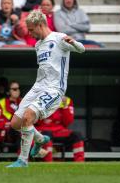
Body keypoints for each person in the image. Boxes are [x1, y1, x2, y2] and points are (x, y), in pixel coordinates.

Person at [6, 9, 85, 167]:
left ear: (40, 25)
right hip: (38, 87)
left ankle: (22, 160)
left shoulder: (59, 38)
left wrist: (74, 43)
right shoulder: (37, 45)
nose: (29, 33)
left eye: (31, 29)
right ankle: (40, 139)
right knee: (15, 123)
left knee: (28, 116)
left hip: (54, 89)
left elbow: (82, 49)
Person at [35, 96, 85, 162]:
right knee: (47, 134)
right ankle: (48, 163)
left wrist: (65, 107)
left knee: (77, 135)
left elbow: (67, 122)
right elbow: (35, 121)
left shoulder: (66, 100)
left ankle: (80, 162)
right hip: (42, 130)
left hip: (59, 131)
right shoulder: (39, 99)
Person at [0, 81, 22, 152]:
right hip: (5, 132)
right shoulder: (0, 103)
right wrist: (9, 124)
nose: (17, 91)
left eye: (18, 89)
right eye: (14, 89)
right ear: (8, 91)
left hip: (19, 131)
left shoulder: (23, 102)